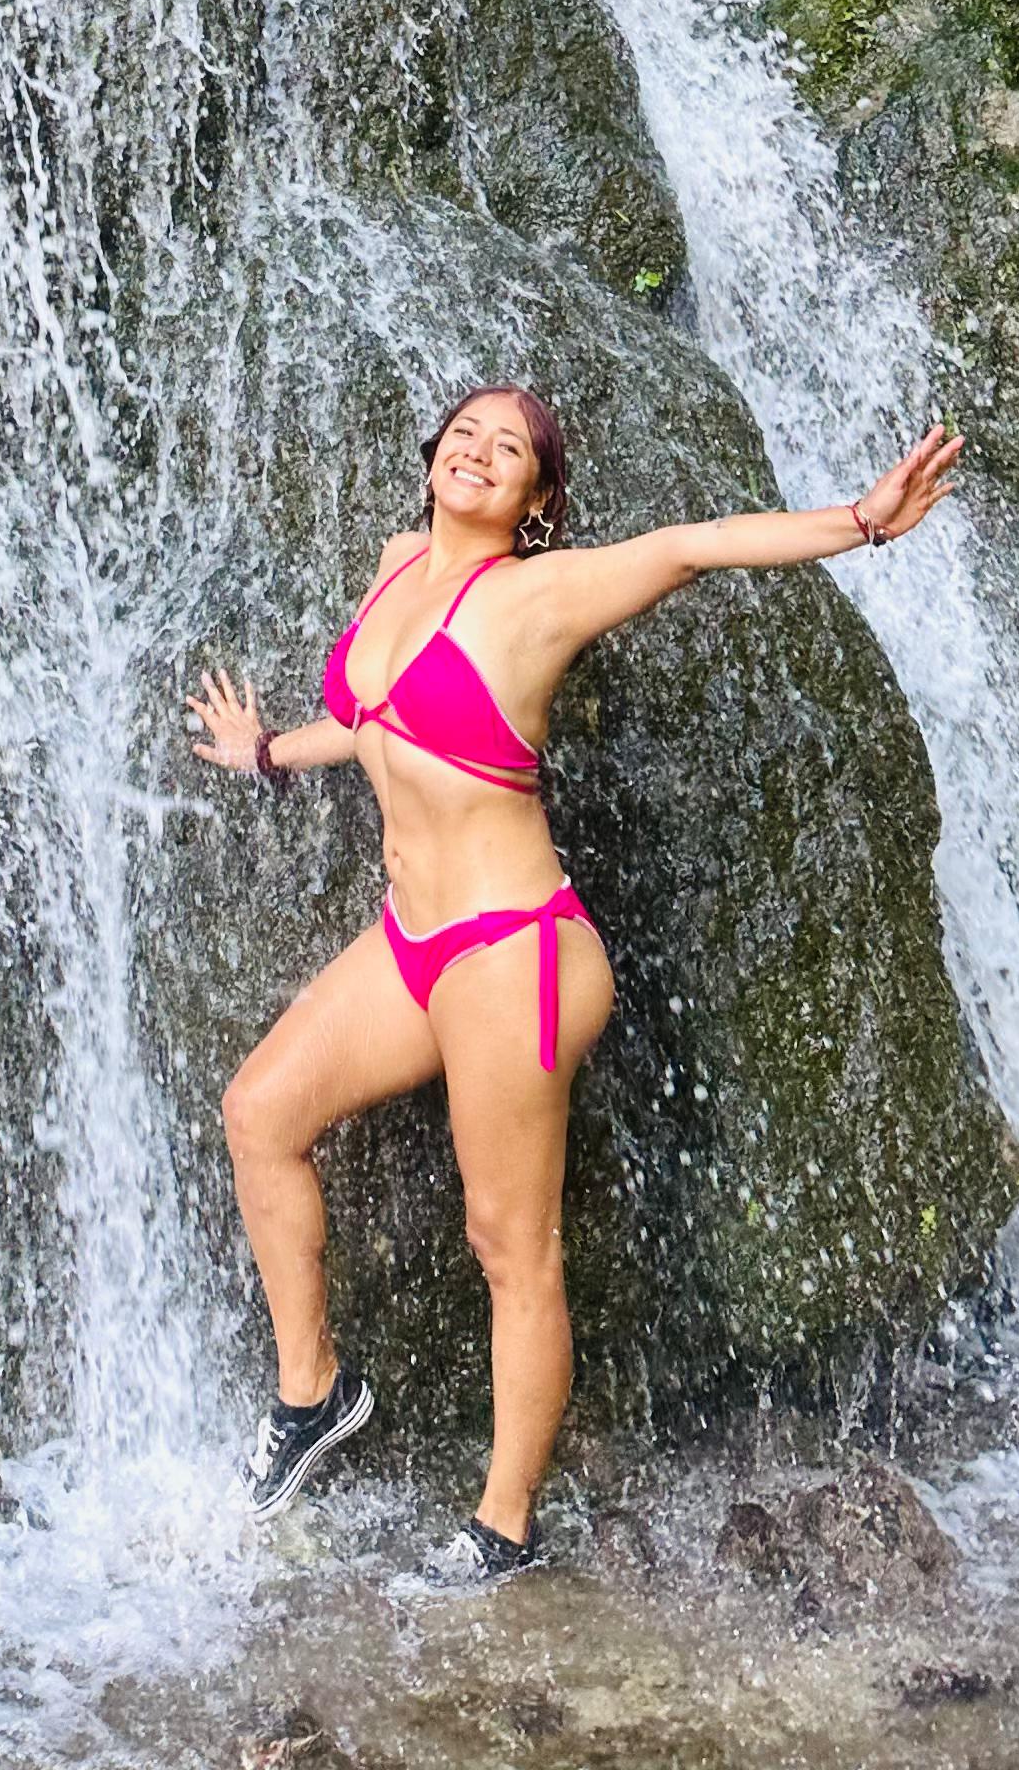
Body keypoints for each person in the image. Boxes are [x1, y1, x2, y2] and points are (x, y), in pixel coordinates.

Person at [185, 380, 962, 1583]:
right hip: (415, 941)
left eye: (512, 449)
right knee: (259, 1113)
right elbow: (380, 723)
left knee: (511, 1246)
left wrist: (858, 519)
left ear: (537, 497)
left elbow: (691, 548)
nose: (479, 452)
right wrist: (269, 752)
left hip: (516, 952)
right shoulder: (398, 565)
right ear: (433, 455)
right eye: (465, 434)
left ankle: (504, 1525)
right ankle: (315, 1392)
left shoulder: (537, 595)